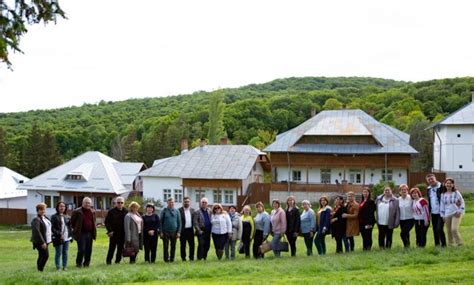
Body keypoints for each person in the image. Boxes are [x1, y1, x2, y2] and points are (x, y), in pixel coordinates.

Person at [71, 197, 96, 268]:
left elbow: (93, 221)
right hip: (81, 233)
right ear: (83, 203)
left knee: (89, 250)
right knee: (81, 250)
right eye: (86, 203)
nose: (87, 204)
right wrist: (76, 229)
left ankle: (86, 264)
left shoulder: (92, 211)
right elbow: (72, 222)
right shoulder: (77, 211)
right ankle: (78, 264)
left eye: (89, 203)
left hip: (90, 233)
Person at [440, 178, 465, 246]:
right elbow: (442, 205)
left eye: (450, 183)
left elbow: (462, 202)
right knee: (448, 231)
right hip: (447, 214)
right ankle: (450, 244)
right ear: (445, 184)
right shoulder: (443, 194)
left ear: (453, 185)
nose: (449, 184)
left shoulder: (456, 192)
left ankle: (459, 243)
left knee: (454, 229)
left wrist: (460, 211)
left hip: (456, 213)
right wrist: (442, 215)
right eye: (447, 183)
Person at [104, 196, 127, 265]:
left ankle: (117, 261)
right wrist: (110, 231)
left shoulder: (126, 211)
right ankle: (108, 261)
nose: (120, 204)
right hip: (113, 233)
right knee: (112, 248)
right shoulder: (111, 211)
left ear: (124, 203)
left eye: (121, 202)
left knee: (120, 248)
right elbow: (106, 222)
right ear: (115, 203)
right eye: (118, 202)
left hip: (122, 233)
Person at [426, 173, 446, 247]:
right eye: (429, 180)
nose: (431, 181)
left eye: (432, 179)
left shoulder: (442, 186)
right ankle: (437, 245)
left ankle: (443, 244)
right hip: (433, 213)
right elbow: (430, 201)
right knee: (434, 229)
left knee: (439, 228)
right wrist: (429, 213)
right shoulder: (428, 189)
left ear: (435, 178)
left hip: (441, 212)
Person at [51, 201, 72, 271]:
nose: (62, 207)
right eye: (60, 206)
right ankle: (58, 267)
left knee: (65, 253)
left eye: (63, 206)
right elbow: (52, 228)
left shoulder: (67, 216)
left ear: (65, 208)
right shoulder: (54, 216)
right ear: (57, 207)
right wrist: (60, 234)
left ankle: (65, 266)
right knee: (58, 253)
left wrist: (71, 235)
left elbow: (69, 227)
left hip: (67, 238)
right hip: (58, 238)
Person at [31, 202, 52, 272]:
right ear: (38, 210)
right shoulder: (36, 219)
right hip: (40, 242)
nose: (43, 211)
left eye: (44, 209)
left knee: (41, 255)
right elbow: (37, 231)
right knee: (46, 255)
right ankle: (40, 270)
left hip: (46, 240)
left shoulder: (45, 218)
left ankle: (38, 270)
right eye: (41, 209)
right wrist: (42, 242)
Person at [160, 197, 181, 263]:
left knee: (173, 246)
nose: (171, 203)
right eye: (170, 202)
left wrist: (178, 232)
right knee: (165, 246)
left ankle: (172, 259)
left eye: (172, 202)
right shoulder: (163, 211)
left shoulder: (177, 211)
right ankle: (166, 259)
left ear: (174, 203)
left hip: (174, 231)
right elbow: (160, 222)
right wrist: (161, 232)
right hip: (165, 231)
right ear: (167, 203)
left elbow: (179, 222)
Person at [179, 196, 195, 261]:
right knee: (183, 245)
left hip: (190, 230)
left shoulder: (192, 210)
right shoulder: (179, 210)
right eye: (185, 202)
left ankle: (191, 258)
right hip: (183, 230)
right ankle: (183, 258)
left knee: (192, 245)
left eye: (188, 202)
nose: (186, 203)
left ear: (190, 202)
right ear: (183, 202)